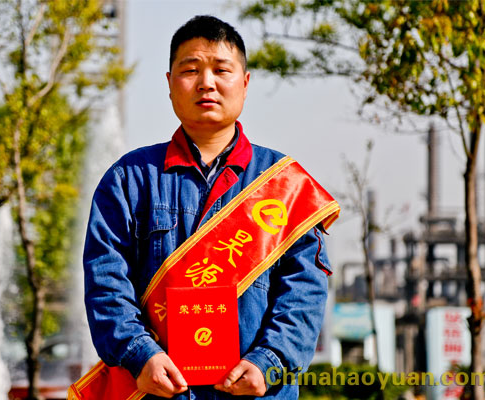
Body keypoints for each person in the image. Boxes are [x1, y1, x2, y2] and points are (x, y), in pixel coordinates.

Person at [82, 15, 337, 400]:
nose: (206, 83)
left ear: (245, 84)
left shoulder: (285, 185)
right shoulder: (129, 179)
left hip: (257, 392)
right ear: (170, 84)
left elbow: (304, 291)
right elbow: (106, 280)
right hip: (158, 391)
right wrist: (140, 355)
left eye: (221, 70)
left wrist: (269, 361)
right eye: (190, 70)